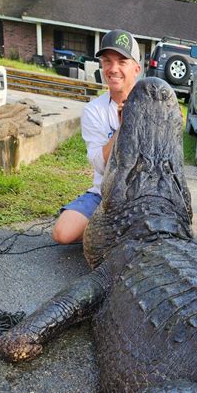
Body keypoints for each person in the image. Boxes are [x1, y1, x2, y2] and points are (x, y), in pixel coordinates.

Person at [52, 29, 141, 244]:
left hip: (142, 194)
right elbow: (101, 166)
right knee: (62, 233)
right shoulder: (94, 110)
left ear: (136, 68)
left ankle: (112, 232)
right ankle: (110, 228)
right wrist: (123, 128)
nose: (113, 69)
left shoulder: (151, 106)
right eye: (107, 61)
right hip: (105, 194)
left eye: (122, 61)